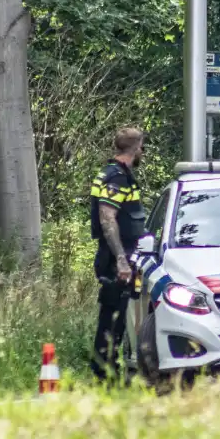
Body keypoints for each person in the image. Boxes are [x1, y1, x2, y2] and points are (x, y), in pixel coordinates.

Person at [89, 127, 147, 382]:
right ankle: (106, 374)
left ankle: (107, 371)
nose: (142, 152)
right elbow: (107, 217)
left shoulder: (110, 173)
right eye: (142, 147)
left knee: (114, 313)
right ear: (136, 148)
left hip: (115, 254)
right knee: (114, 316)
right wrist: (122, 260)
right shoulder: (117, 177)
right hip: (116, 257)